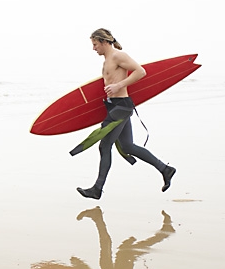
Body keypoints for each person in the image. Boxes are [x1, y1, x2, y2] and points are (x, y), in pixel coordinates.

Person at [70, 28, 176, 199]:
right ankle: (165, 169)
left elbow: (141, 71)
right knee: (127, 146)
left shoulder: (118, 56)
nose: (93, 48)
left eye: (95, 44)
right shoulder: (106, 61)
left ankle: (97, 189)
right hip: (115, 106)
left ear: (104, 42)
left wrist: (119, 86)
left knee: (105, 145)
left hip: (121, 107)